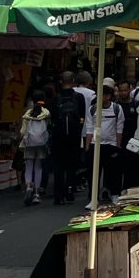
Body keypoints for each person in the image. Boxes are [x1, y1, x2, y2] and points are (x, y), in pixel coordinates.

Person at [48, 71, 86, 206]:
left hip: (58, 137)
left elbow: (51, 119)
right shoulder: (79, 98)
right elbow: (83, 117)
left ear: (61, 82)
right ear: (73, 81)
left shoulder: (55, 99)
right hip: (74, 137)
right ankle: (70, 190)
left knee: (58, 166)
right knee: (71, 165)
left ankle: (58, 195)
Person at [87, 79, 124, 205]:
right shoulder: (92, 109)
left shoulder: (117, 109)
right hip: (95, 144)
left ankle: (115, 194)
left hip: (111, 145)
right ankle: (93, 198)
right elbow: (89, 128)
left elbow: (119, 129)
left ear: (108, 96)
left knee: (113, 171)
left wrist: (117, 146)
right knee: (93, 173)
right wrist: (88, 147)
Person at [19, 93, 51, 205]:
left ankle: (28, 186)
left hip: (29, 143)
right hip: (41, 144)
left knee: (29, 165)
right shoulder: (46, 113)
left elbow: (23, 131)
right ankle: (37, 193)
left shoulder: (27, 114)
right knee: (38, 167)